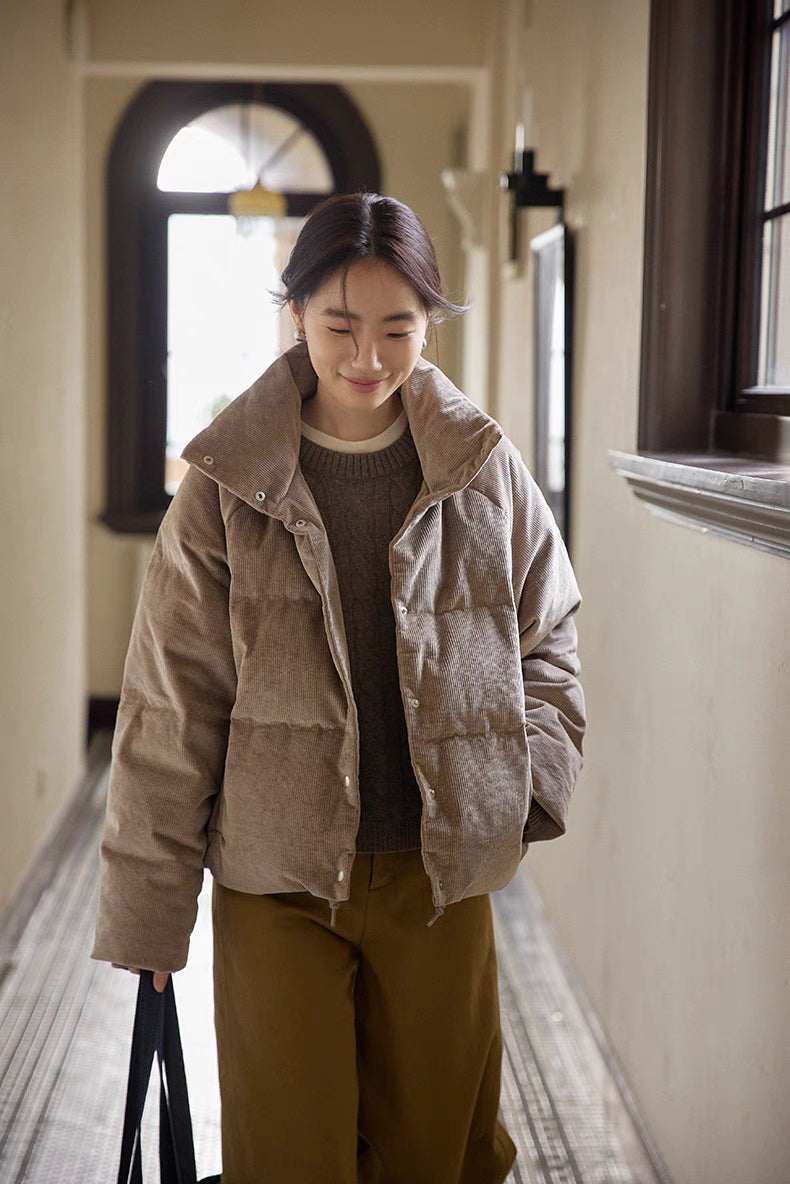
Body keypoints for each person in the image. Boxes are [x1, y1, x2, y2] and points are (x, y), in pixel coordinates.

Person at [92, 192, 586, 1184]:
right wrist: (153, 912)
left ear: (428, 323)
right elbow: (170, 705)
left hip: (437, 878)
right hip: (276, 882)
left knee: (440, 1155)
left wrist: (526, 782)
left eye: (397, 327)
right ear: (296, 316)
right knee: (288, 1158)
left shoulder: (481, 468)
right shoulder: (226, 484)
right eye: (339, 325)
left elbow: (551, 633)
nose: (368, 354)